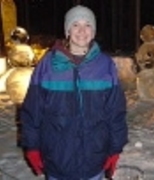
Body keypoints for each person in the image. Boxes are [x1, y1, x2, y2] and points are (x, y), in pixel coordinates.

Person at [20, 5, 128, 180]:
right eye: (76, 25)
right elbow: (32, 112)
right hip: (57, 160)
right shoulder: (47, 65)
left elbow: (116, 112)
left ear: (93, 31)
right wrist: (32, 147)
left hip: (94, 160)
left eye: (87, 25)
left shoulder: (105, 65)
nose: (82, 31)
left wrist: (115, 149)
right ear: (68, 30)